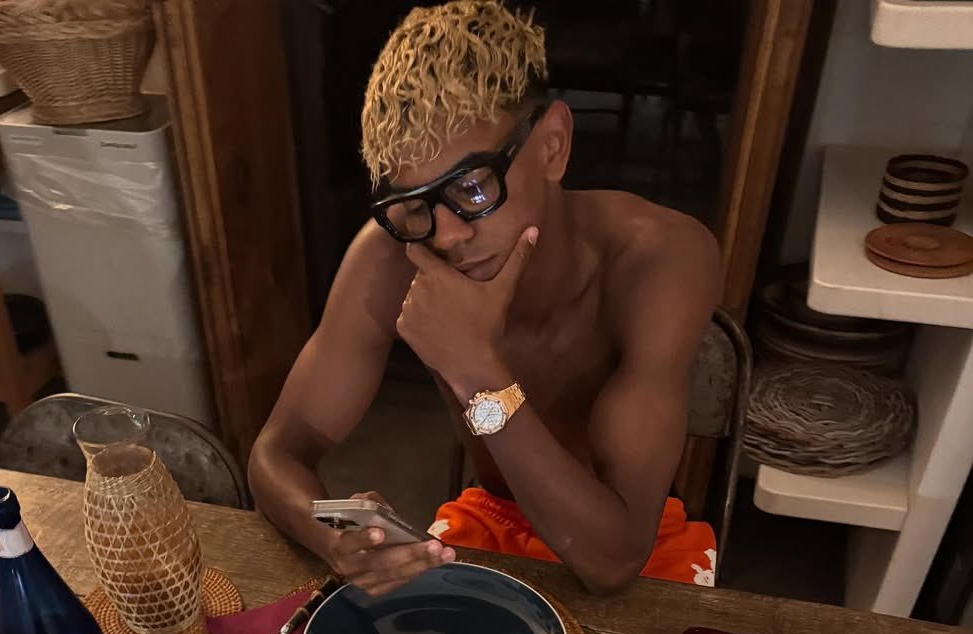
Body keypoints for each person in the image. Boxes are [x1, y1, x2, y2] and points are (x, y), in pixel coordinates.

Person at [249, 1, 721, 595]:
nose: (446, 236)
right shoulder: (395, 252)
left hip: (630, 537)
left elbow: (614, 558)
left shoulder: (661, 257)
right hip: (493, 517)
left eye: (472, 188)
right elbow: (275, 455)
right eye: (414, 205)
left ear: (552, 145)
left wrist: (475, 370)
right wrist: (333, 535)